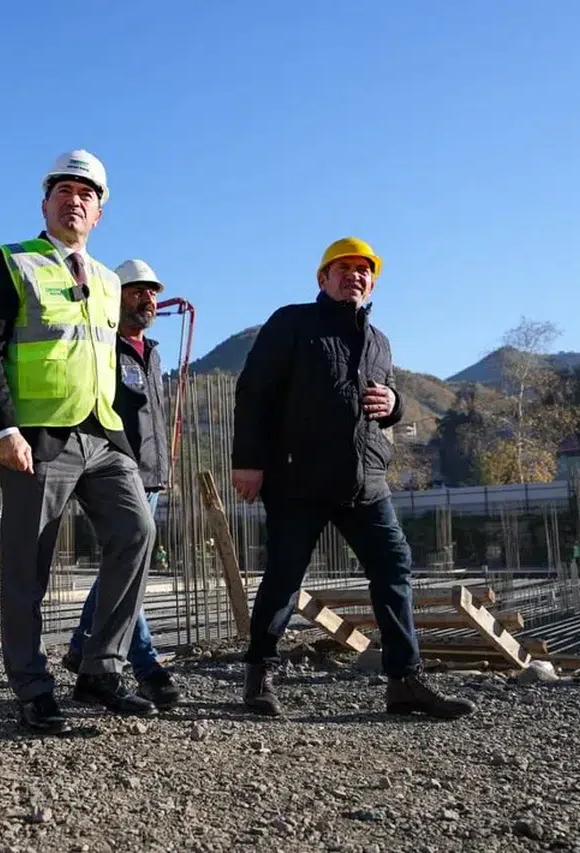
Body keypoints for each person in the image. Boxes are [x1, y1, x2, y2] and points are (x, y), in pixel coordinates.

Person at [231, 237, 475, 720]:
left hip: (366, 481)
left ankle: (404, 681)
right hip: (297, 477)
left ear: (372, 284)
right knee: (284, 575)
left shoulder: (379, 341)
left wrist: (396, 404)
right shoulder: (292, 322)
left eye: (363, 270)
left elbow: (385, 400)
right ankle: (259, 674)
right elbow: (254, 390)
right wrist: (248, 461)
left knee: (393, 566)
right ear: (323, 278)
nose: (354, 276)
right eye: (342, 268)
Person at [0, 150, 159, 734]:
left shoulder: (107, 281)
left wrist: (129, 439)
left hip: (102, 433)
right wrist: (4, 429)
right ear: (45, 202)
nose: (74, 201)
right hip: (38, 436)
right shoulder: (12, 261)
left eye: (86, 194)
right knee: (28, 567)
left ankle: (101, 668)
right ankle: (31, 686)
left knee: (137, 531)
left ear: (99, 212)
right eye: (63, 191)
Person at [61, 259, 181, 710]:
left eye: (151, 293)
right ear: (115, 297)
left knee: (126, 565)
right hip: (116, 471)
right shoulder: (103, 346)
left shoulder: (152, 352)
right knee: (130, 568)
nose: (147, 299)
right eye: (136, 291)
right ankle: (147, 666)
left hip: (150, 473)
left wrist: (161, 469)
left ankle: (81, 647)